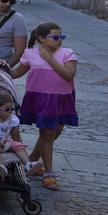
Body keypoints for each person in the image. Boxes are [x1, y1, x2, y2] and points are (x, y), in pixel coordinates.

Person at [12, 23, 78, 191]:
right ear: (41, 38)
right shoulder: (30, 54)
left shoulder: (67, 53)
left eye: (61, 37)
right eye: (55, 37)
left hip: (62, 100)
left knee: (55, 132)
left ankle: (32, 159)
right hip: (42, 99)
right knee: (47, 133)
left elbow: (69, 74)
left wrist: (49, 58)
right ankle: (49, 173)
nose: (60, 41)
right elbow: (18, 72)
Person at [0, 90, 40, 179]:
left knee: (19, 146)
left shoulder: (11, 119)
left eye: (12, 109)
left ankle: (28, 164)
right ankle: (0, 166)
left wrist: (16, 141)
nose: (10, 112)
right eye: (7, 109)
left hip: (5, 141)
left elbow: (13, 130)